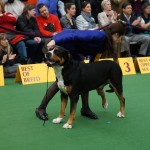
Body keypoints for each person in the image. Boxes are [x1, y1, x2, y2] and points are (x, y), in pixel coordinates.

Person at [35, 22, 126, 121]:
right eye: (120, 38)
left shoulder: (105, 42)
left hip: (76, 52)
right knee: (61, 81)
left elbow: (93, 55)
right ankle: (41, 108)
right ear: (116, 34)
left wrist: (91, 70)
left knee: (84, 77)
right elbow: (74, 35)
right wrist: (54, 41)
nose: (119, 40)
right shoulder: (99, 35)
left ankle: (85, 109)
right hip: (64, 47)